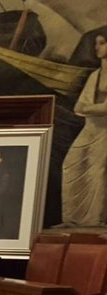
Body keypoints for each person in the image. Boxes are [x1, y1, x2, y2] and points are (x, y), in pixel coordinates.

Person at [62, 31, 107, 227]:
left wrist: (90, 108)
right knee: (70, 165)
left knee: (97, 171)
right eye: (97, 43)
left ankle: (94, 220)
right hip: (90, 127)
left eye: (102, 43)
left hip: (105, 130)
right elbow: (78, 106)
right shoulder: (95, 75)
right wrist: (92, 108)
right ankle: (72, 218)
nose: (97, 47)